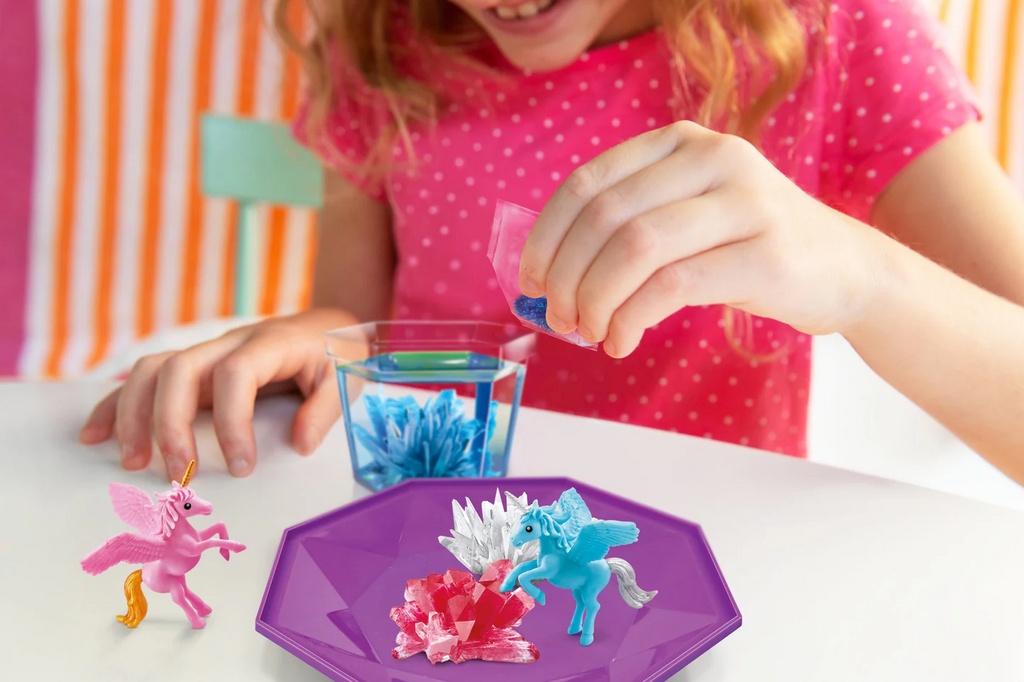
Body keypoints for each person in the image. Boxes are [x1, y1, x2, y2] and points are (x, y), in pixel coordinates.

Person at [80, 0, 1024, 487]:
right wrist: (307, 342)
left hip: (703, 577)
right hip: (439, 554)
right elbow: (355, 319)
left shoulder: (832, 30)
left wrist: (860, 276)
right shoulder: (381, 38)